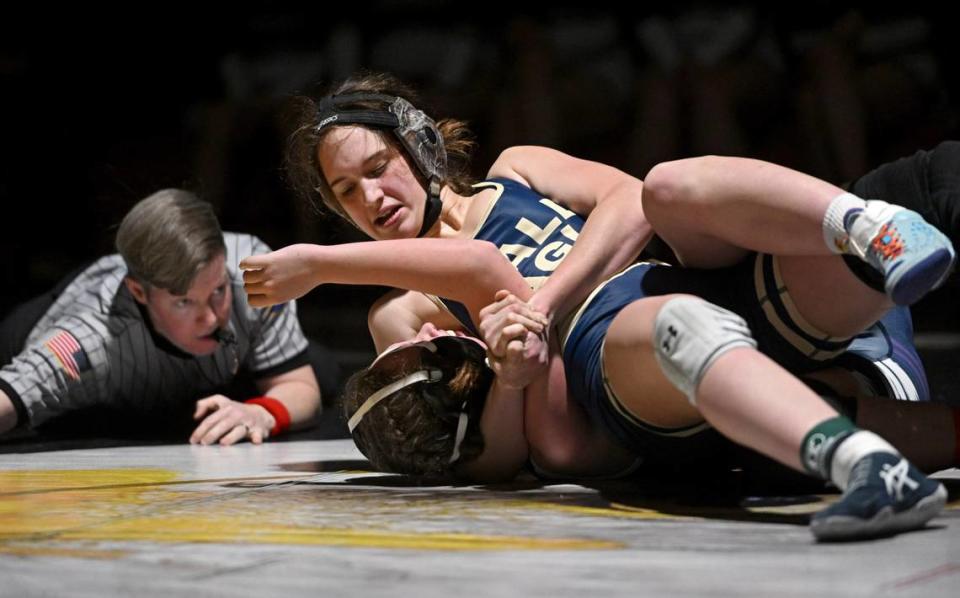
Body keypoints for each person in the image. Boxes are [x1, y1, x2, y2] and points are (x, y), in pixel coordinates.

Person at [239, 72, 954, 540]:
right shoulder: (397, 309)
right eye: (344, 191)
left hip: (702, 276)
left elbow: (632, 206)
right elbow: (506, 438)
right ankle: (867, 458)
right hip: (630, 362)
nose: (370, 198)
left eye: (375, 168)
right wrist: (515, 368)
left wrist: (319, 266)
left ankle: (872, 227)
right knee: (683, 332)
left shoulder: (515, 170)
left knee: (671, 186)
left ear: (418, 145)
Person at [0, 189, 327, 445]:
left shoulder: (251, 272)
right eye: (184, 302)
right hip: (69, 357)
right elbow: (8, 398)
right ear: (140, 293)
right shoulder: (87, 340)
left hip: (200, 379)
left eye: (217, 291)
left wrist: (260, 413)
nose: (211, 318)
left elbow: (300, 387)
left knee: (324, 371)